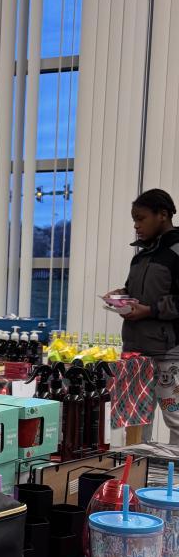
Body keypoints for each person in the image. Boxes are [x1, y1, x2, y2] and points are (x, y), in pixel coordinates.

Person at [106, 188, 179, 443]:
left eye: (141, 218)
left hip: (167, 353)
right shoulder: (141, 257)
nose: (136, 226)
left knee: (176, 420)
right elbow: (139, 292)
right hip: (135, 353)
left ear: (163, 215)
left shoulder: (176, 252)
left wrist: (149, 310)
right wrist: (122, 295)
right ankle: (137, 469)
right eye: (134, 220)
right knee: (134, 423)